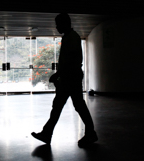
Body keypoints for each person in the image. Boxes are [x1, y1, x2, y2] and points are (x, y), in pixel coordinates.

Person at [31, 13, 98, 148]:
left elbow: (70, 61)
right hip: (70, 77)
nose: (56, 27)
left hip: (70, 78)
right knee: (72, 106)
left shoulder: (72, 38)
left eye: (58, 24)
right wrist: (59, 75)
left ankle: (47, 133)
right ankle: (48, 133)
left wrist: (58, 75)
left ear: (64, 23)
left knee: (67, 106)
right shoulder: (70, 37)